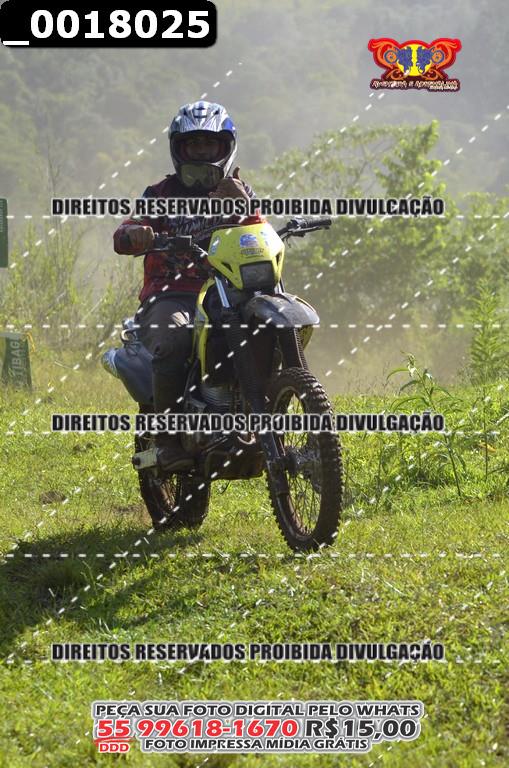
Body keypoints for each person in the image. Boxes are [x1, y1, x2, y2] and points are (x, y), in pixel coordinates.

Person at [113, 101, 255, 471]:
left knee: (267, 326)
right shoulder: (159, 194)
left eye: (210, 144)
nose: (203, 152)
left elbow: (259, 236)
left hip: (230, 291)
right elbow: (123, 233)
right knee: (175, 340)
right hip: (172, 295)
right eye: (194, 144)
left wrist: (244, 207)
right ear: (179, 149)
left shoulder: (238, 189)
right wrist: (136, 234)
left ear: (226, 147)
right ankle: (167, 441)